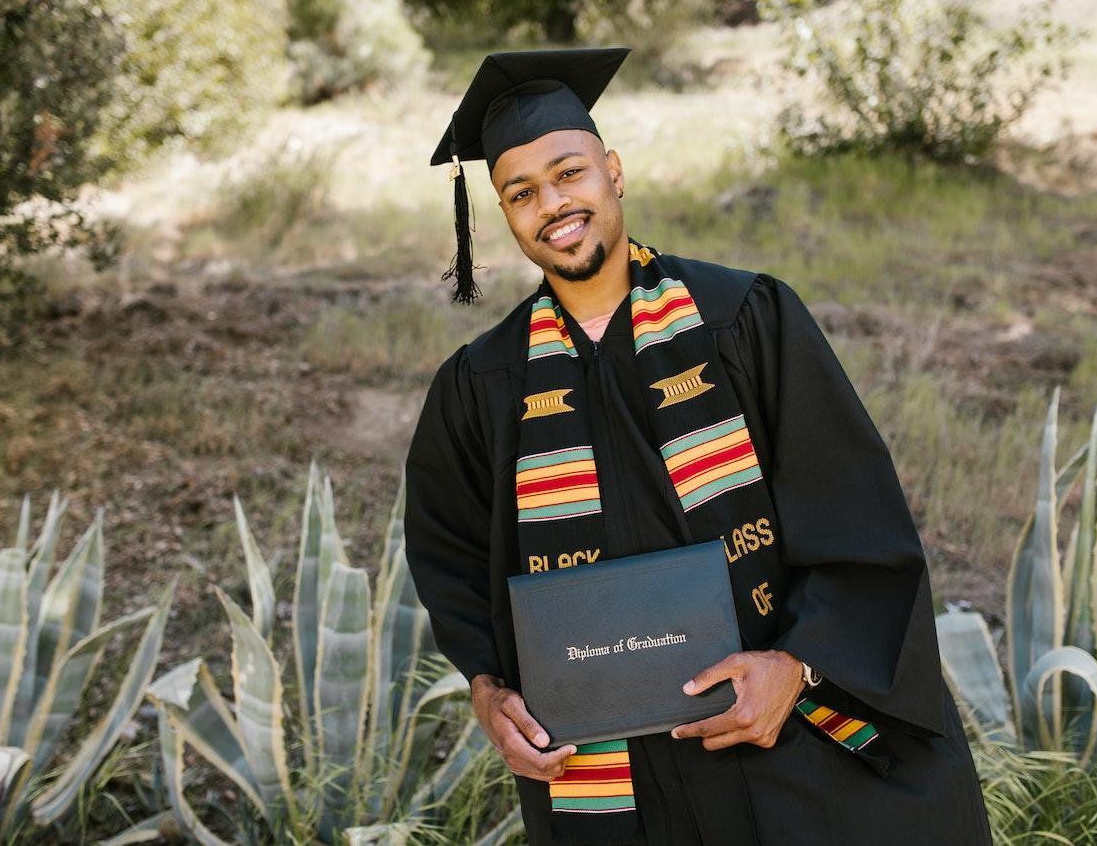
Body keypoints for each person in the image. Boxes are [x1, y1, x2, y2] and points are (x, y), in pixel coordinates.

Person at [404, 46, 993, 845]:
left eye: (569, 172)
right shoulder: (481, 386)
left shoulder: (744, 319)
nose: (553, 203)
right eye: (522, 192)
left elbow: (856, 515)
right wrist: (486, 692)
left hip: (786, 750)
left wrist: (796, 667)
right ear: (505, 215)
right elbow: (452, 558)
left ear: (613, 171)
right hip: (614, 782)